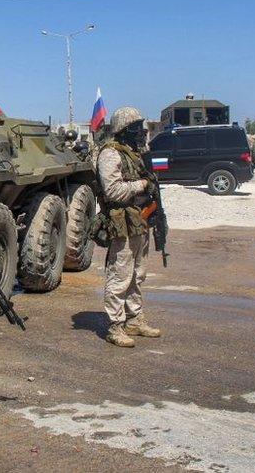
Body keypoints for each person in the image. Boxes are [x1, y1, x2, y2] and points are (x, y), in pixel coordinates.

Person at [95, 107, 161, 348]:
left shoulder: (136, 153)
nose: (141, 132)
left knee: (137, 274)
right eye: (135, 128)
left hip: (140, 220)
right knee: (120, 275)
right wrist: (142, 185)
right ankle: (115, 325)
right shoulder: (110, 155)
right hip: (122, 221)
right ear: (123, 131)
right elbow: (112, 191)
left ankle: (134, 318)